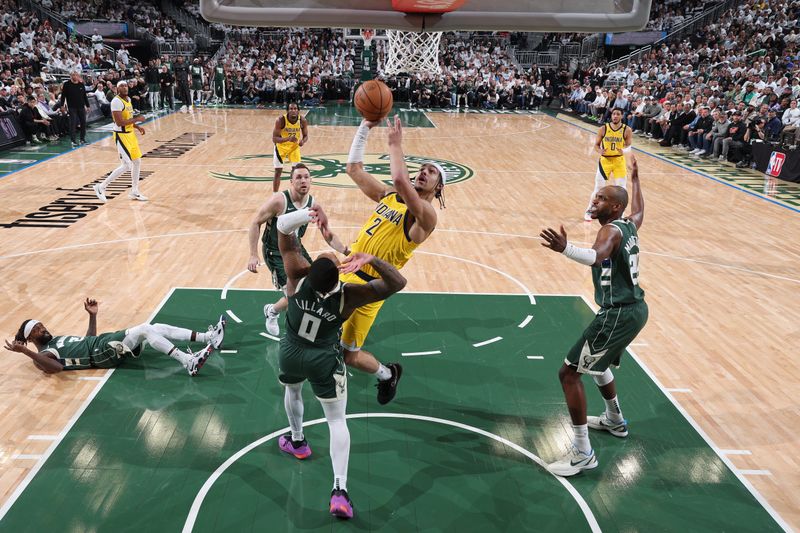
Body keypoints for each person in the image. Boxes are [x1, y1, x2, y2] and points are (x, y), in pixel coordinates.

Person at [273, 206, 407, 519]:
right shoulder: (348, 295)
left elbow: (282, 229)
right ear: (339, 275)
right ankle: (340, 490)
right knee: (336, 421)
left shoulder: (295, 278)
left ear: (310, 270)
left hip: (291, 352)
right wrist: (371, 260)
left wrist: (307, 215)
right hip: (323, 360)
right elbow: (396, 283)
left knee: (292, 392)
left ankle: (298, 442)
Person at [540, 155, 648, 477]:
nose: (595, 200)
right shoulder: (628, 223)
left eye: (601, 199)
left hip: (617, 314)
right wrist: (636, 181)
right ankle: (615, 420)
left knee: (569, 374)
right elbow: (640, 211)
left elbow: (596, 256)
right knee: (598, 366)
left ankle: (583, 452)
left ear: (614, 208)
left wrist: (565, 248)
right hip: (634, 311)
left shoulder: (609, 233)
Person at [338, 116, 444, 404]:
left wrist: (395, 144)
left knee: (349, 355)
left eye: (431, 172)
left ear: (439, 186)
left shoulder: (426, 216)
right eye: (421, 168)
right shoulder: (389, 195)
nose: (423, 172)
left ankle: (386, 374)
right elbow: (353, 169)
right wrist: (364, 127)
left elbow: (400, 177)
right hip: (344, 272)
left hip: (370, 289)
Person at [247, 164, 347, 336]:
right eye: (299, 177)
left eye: (306, 177)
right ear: (291, 181)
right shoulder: (279, 201)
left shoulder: (313, 204)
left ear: (311, 180)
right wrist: (253, 254)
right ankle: (273, 312)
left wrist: (346, 251)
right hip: (275, 252)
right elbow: (255, 222)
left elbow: (327, 234)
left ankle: (272, 309)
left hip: (297, 248)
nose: (303, 180)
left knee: (315, 286)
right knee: (295, 294)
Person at [5, 298, 226, 376]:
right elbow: (56, 368)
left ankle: (208, 337)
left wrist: (92, 317)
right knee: (145, 329)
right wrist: (25, 351)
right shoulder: (42, 355)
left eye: (41, 325)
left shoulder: (56, 340)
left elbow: (86, 341)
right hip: (101, 354)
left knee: (154, 326)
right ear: (30, 337)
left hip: (100, 343)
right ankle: (188, 362)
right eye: (37, 329)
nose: (43, 328)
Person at [93, 81, 148, 202]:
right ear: (117, 89)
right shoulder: (116, 101)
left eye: (126, 86)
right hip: (121, 135)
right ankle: (101, 187)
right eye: (122, 86)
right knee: (127, 165)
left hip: (130, 135)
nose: (125, 87)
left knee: (137, 162)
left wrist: (137, 126)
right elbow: (119, 122)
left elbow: (127, 119)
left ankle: (134, 191)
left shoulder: (128, 99)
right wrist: (137, 119)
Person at [586, 107, 632, 221]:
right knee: (598, 188)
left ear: (622, 116)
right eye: (614, 114)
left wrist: (624, 151)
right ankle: (590, 210)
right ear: (611, 115)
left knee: (622, 189)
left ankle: (620, 214)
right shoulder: (603, 128)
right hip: (605, 161)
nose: (615, 116)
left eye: (618, 114)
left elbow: (629, 146)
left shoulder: (627, 129)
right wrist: (599, 150)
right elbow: (596, 145)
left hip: (619, 161)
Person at [272, 102, 308, 193]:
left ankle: (294, 192)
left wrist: (302, 141)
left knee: (296, 172)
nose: (293, 110)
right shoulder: (280, 120)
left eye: (295, 109)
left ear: (298, 111)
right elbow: (274, 139)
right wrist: (288, 138)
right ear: (287, 111)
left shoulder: (302, 120)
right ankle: (275, 195)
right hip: (281, 147)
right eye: (291, 109)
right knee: (278, 171)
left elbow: (306, 135)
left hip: (294, 147)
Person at [56, 71, 90, 148]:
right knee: (73, 124)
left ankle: (82, 139)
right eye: (73, 75)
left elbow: (84, 96)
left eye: (76, 75)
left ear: (78, 76)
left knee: (83, 123)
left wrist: (88, 105)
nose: (74, 76)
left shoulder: (81, 84)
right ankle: (73, 140)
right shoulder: (66, 84)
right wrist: (62, 106)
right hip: (72, 107)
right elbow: (63, 96)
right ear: (70, 76)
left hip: (81, 106)